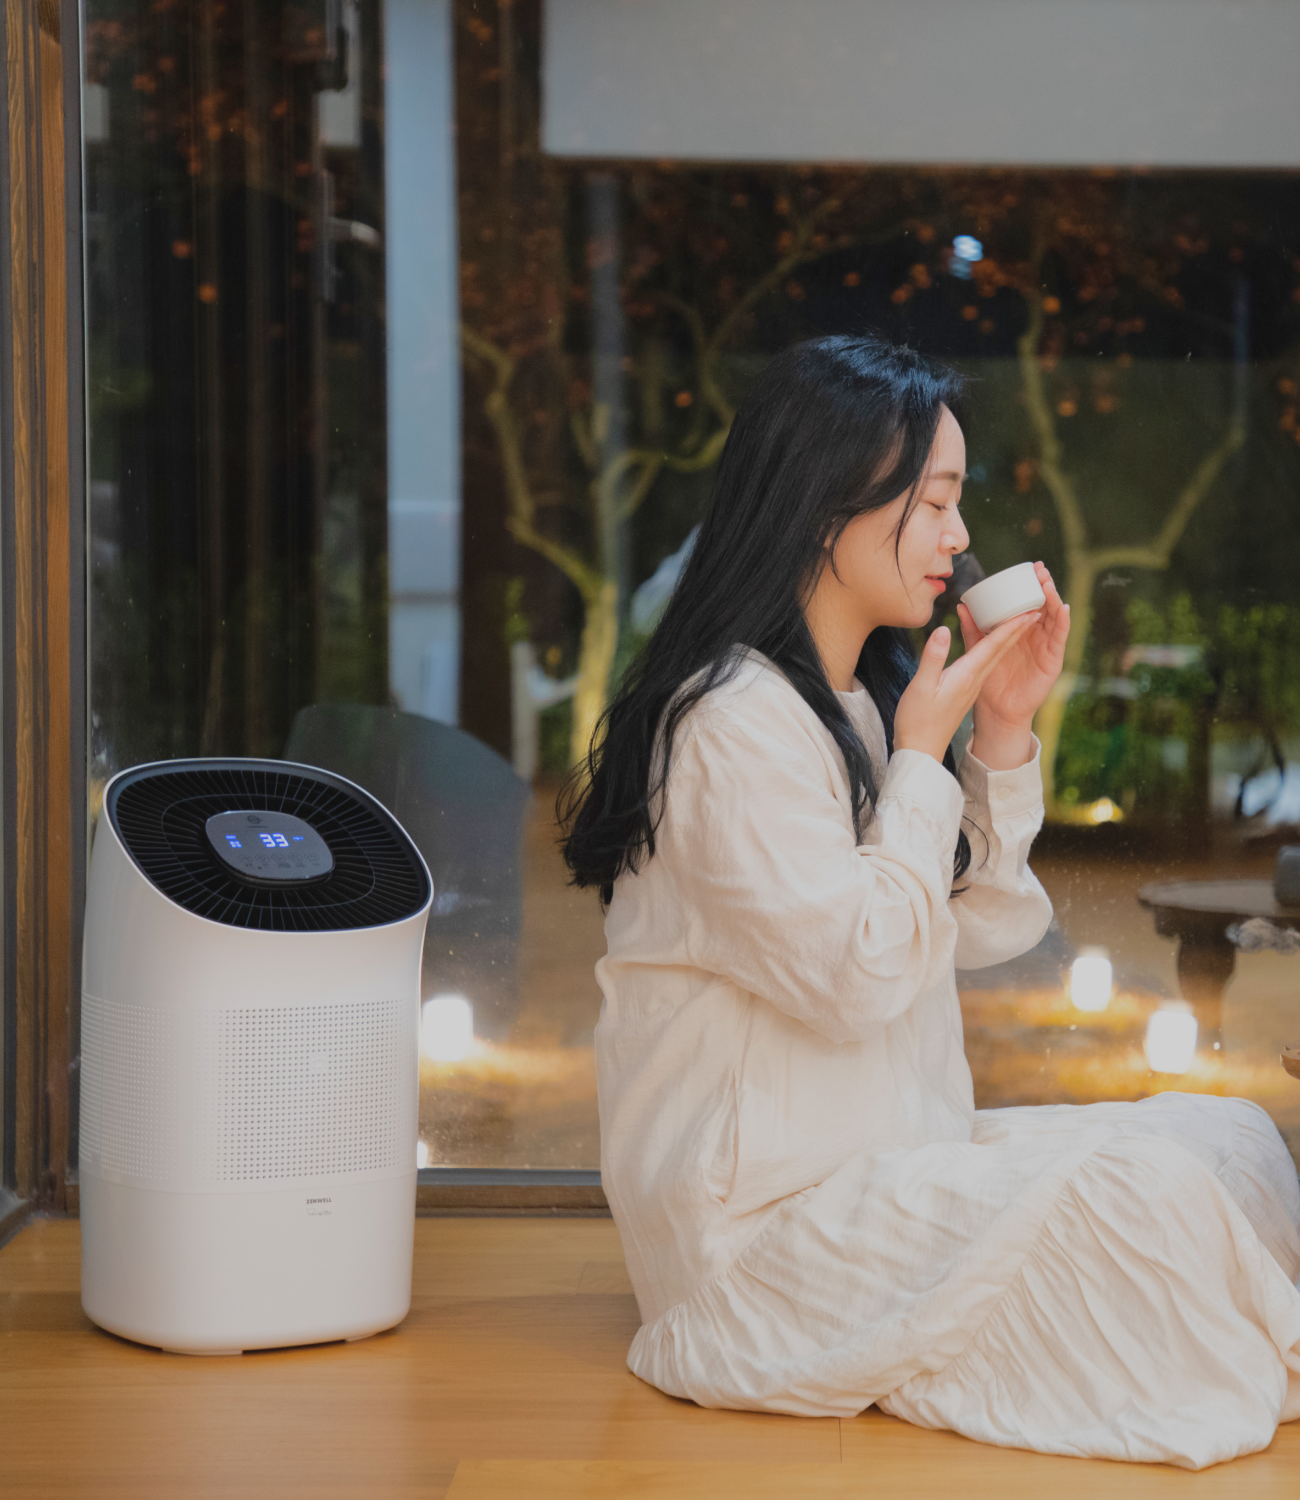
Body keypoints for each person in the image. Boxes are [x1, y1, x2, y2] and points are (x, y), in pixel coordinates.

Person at [560, 335, 1300, 1469]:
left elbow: (981, 928)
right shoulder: (723, 725)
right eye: (938, 501)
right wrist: (919, 755)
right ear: (826, 506)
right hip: (762, 1233)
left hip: (892, 1157)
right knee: (1152, 1197)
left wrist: (997, 734)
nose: (961, 540)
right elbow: (856, 978)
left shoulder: (851, 706)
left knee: (1228, 1135)